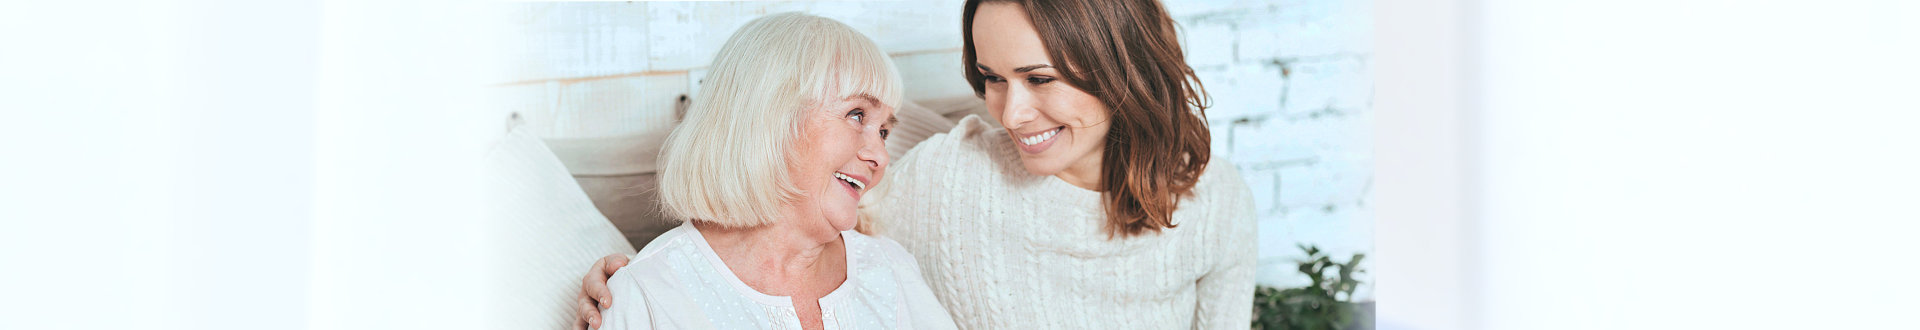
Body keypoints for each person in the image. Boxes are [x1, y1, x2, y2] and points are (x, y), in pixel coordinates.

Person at [581, 0, 1256, 328]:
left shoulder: (1217, 204)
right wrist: (631, 274)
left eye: (1040, 78)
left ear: (1124, 68)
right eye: (991, 77)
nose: (1011, 114)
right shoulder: (949, 176)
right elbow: (787, 191)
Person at [586, 13, 956, 330]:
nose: (881, 156)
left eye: (884, 131)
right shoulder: (648, 293)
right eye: (856, 115)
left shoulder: (890, 268)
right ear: (771, 116)